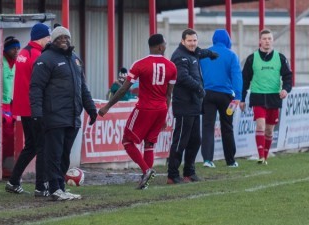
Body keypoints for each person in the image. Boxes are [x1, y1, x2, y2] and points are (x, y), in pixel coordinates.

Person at [99, 34, 177, 190]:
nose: (166, 47)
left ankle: (146, 170)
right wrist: (165, 117)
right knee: (149, 143)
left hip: (145, 108)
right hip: (161, 109)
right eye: (165, 45)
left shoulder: (140, 64)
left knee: (127, 141)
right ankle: (145, 180)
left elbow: (123, 89)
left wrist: (107, 106)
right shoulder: (172, 67)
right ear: (160, 47)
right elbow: (169, 95)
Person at [30, 26, 97, 201]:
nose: (63, 41)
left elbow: (83, 88)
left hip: (72, 116)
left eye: (66, 38)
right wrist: (36, 112)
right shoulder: (45, 59)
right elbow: (36, 88)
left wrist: (91, 109)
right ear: (53, 40)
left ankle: (60, 187)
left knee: (64, 155)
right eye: (59, 38)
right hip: (53, 116)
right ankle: (54, 188)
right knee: (54, 154)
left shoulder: (75, 60)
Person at [5, 23, 51, 197]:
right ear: (41, 37)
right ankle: (41, 187)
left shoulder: (24, 52)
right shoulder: (38, 55)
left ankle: (13, 181)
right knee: (42, 147)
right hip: (34, 108)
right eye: (48, 37)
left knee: (31, 146)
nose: (49, 40)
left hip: (23, 108)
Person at [167, 28, 218, 184]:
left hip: (194, 106)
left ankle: (189, 172)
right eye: (189, 41)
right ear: (183, 41)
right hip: (184, 105)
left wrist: (210, 54)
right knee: (181, 140)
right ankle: (172, 175)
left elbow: (200, 52)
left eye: (195, 40)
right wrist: (199, 88)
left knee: (195, 140)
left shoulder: (193, 52)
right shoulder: (179, 56)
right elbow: (182, 77)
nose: (193, 43)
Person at [240, 29, 292, 165]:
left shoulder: (280, 58)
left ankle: (265, 156)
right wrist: (242, 99)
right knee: (261, 125)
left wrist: (286, 90)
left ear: (272, 41)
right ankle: (260, 156)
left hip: (274, 97)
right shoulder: (252, 58)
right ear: (260, 41)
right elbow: (244, 80)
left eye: (269, 38)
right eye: (264, 39)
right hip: (257, 96)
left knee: (269, 130)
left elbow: (288, 76)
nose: (267, 41)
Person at [200, 29, 242, 168]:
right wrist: (238, 96)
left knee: (207, 127)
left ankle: (207, 160)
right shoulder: (231, 55)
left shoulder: (204, 54)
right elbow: (236, 77)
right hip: (226, 96)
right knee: (227, 127)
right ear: (227, 40)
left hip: (207, 94)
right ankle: (230, 161)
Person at [1, 36, 20, 176]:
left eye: (17, 48)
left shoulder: (16, 63)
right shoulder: (0, 62)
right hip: (2, 102)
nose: (16, 51)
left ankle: (7, 163)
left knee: (13, 132)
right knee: (5, 132)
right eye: (13, 48)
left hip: (12, 102)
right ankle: (1, 163)